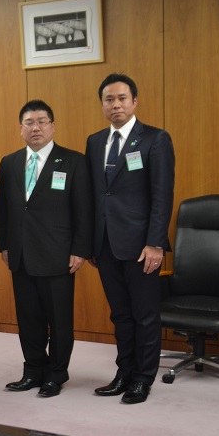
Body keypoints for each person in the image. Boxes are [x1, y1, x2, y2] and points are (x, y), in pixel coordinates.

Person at [86, 73, 175, 404]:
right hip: (105, 244)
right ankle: (124, 372)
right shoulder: (95, 142)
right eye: (109, 99)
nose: (116, 105)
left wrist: (156, 243)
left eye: (122, 98)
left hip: (142, 246)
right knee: (120, 315)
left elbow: (162, 196)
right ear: (102, 105)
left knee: (145, 315)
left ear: (134, 102)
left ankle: (143, 378)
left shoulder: (155, 139)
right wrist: (90, 242)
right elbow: (95, 195)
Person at [0, 100, 92, 398]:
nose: (35, 127)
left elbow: (83, 210)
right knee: (28, 319)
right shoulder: (9, 162)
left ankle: (56, 373)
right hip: (21, 254)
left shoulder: (74, 161)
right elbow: (3, 209)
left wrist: (80, 249)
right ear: (21, 128)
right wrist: (4, 245)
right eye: (29, 122)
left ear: (52, 126)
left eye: (41, 121)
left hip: (58, 254)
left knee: (59, 320)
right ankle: (33, 370)